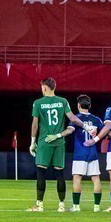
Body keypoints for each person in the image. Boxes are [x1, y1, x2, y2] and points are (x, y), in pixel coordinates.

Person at [26, 77, 74, 213]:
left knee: (41, 173)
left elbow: (35, 124)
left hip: (44, 141)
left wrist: (32, 143)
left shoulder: (38, 103)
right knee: (60, 174)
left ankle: (39, 205)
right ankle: (61, 206)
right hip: (59, 142)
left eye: (42, 87)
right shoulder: (63, 101)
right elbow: (71, 117)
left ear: (45, 88)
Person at [68, 94, 103, 212]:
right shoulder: (96, 119)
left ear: (78, 105)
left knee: (77, 178)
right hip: (92, 153)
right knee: (96, 178)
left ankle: (76, 206)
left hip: (80, 153)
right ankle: (97, 207)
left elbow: (70, 130)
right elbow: (105, 132)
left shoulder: (76, 118)